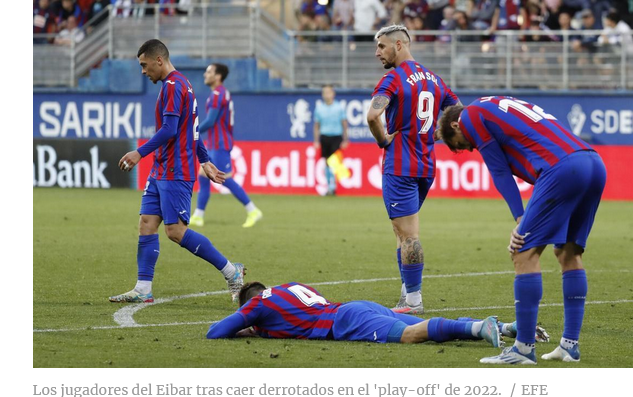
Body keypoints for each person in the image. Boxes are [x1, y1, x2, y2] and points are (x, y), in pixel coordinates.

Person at [435, 96, 606, 364]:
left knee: (522, 252)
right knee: (568, 253)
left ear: (456, 125)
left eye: (462, 145)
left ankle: (523, 349)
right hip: (592, 162)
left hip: (561, 167)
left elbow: (499, 170)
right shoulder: (494, 104)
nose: (470, 149)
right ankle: (569, 346)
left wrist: (519, 217)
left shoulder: (469, 117)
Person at [110, 40, 246, 304]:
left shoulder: (174, 86)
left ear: (158, 60)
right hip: (161, 168)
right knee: (146, 224)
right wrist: (205, 159)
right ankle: (143, 288)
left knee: (175, 232)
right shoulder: (179, 84)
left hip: (176, 169)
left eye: (144, 64)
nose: (143, 71)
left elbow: (171, 130)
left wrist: (139, 152)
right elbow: (191, 129)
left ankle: (232, 271)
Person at [366, 25, 461, 315]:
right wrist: (434, 135)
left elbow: (372, 116)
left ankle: (414, 301)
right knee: (402, 232)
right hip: (426, 166)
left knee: (408, 236)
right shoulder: (433, 78)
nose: (377, 52)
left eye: (382, 46)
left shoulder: (393, 78)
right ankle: (407, 293)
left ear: (399, 44)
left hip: (400, 166)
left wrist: (383, 140)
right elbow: (458, 112)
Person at [207, 281, 550, 345]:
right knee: (424, 326)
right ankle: (506, 327)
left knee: (412, 335)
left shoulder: (257, 304)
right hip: (354, 307)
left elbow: (215, 332)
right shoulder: (290, 287)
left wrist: (248, 329)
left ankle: (481, 328)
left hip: (346, 322)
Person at [189, 63, 263, 228]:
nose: (205, 75)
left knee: (224, 179)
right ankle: (198, 215)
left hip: (219, 143)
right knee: (203, 175)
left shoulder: (217, 94)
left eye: (208, 72)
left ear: (218, 76)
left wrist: (191, 131)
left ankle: (253, 210)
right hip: (215, 143)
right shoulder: (220, 93)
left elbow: (210, 121)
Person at [313, 85, 349, 196]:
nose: (327, 95)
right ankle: (329, 186)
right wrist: (316, 140)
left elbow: (344, 124)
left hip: (336, 137)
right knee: (327, 162)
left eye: (329, 92)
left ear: (333, 94)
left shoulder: (338, 107)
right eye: (324, 92)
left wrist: (345, 139)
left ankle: (333, 186)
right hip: (324, 137)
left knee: (334, 162)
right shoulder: (319, 108)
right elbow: (316, 126)